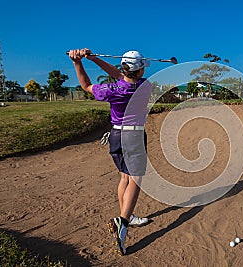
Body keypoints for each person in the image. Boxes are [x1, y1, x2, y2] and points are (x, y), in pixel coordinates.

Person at [68, 48, 152, 255]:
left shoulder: (112, 90)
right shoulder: (145, 86)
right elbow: (122, 75)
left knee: (124, 177)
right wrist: (93, 58)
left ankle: (128, 215)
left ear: (123, 69)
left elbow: (86, 85)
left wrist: (78, 62)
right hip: (134, 137)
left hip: (115, 136)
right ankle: (122, 222)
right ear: (140, 71)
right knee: (135, 180)